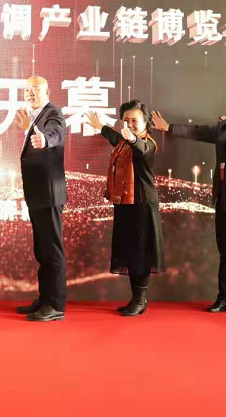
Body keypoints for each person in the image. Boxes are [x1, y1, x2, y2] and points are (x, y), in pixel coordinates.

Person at [152, 94, 226, 318]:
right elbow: (198, 131)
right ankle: (224, 299)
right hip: (223, 201)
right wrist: (169, 128)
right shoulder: (223, 129)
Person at [87, 100, 166, 317]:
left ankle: (140, 300)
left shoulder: (148, 144)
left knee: (141, 253)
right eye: (126, 120)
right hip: (125, 203)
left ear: (146, 123)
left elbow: (140, 149)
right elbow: (116, 138)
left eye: (135, 121)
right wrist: (101, 127)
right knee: (131, 251)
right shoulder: (123, 143)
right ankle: (136, 299)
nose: (130, 125)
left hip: (142, 205)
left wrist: (131, 138)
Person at [14, 76, 68, 322]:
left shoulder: (53, 113)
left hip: (49, 193)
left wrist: (43, 138)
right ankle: (45, 299)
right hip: (39, 194)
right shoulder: (35, 117)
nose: (30, 93)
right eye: (27, 90)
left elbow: (54, 134)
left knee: (52, 249)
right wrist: (31, 129)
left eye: (35, 89)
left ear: (47, 91)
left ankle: (55, 305)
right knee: (42, 250)